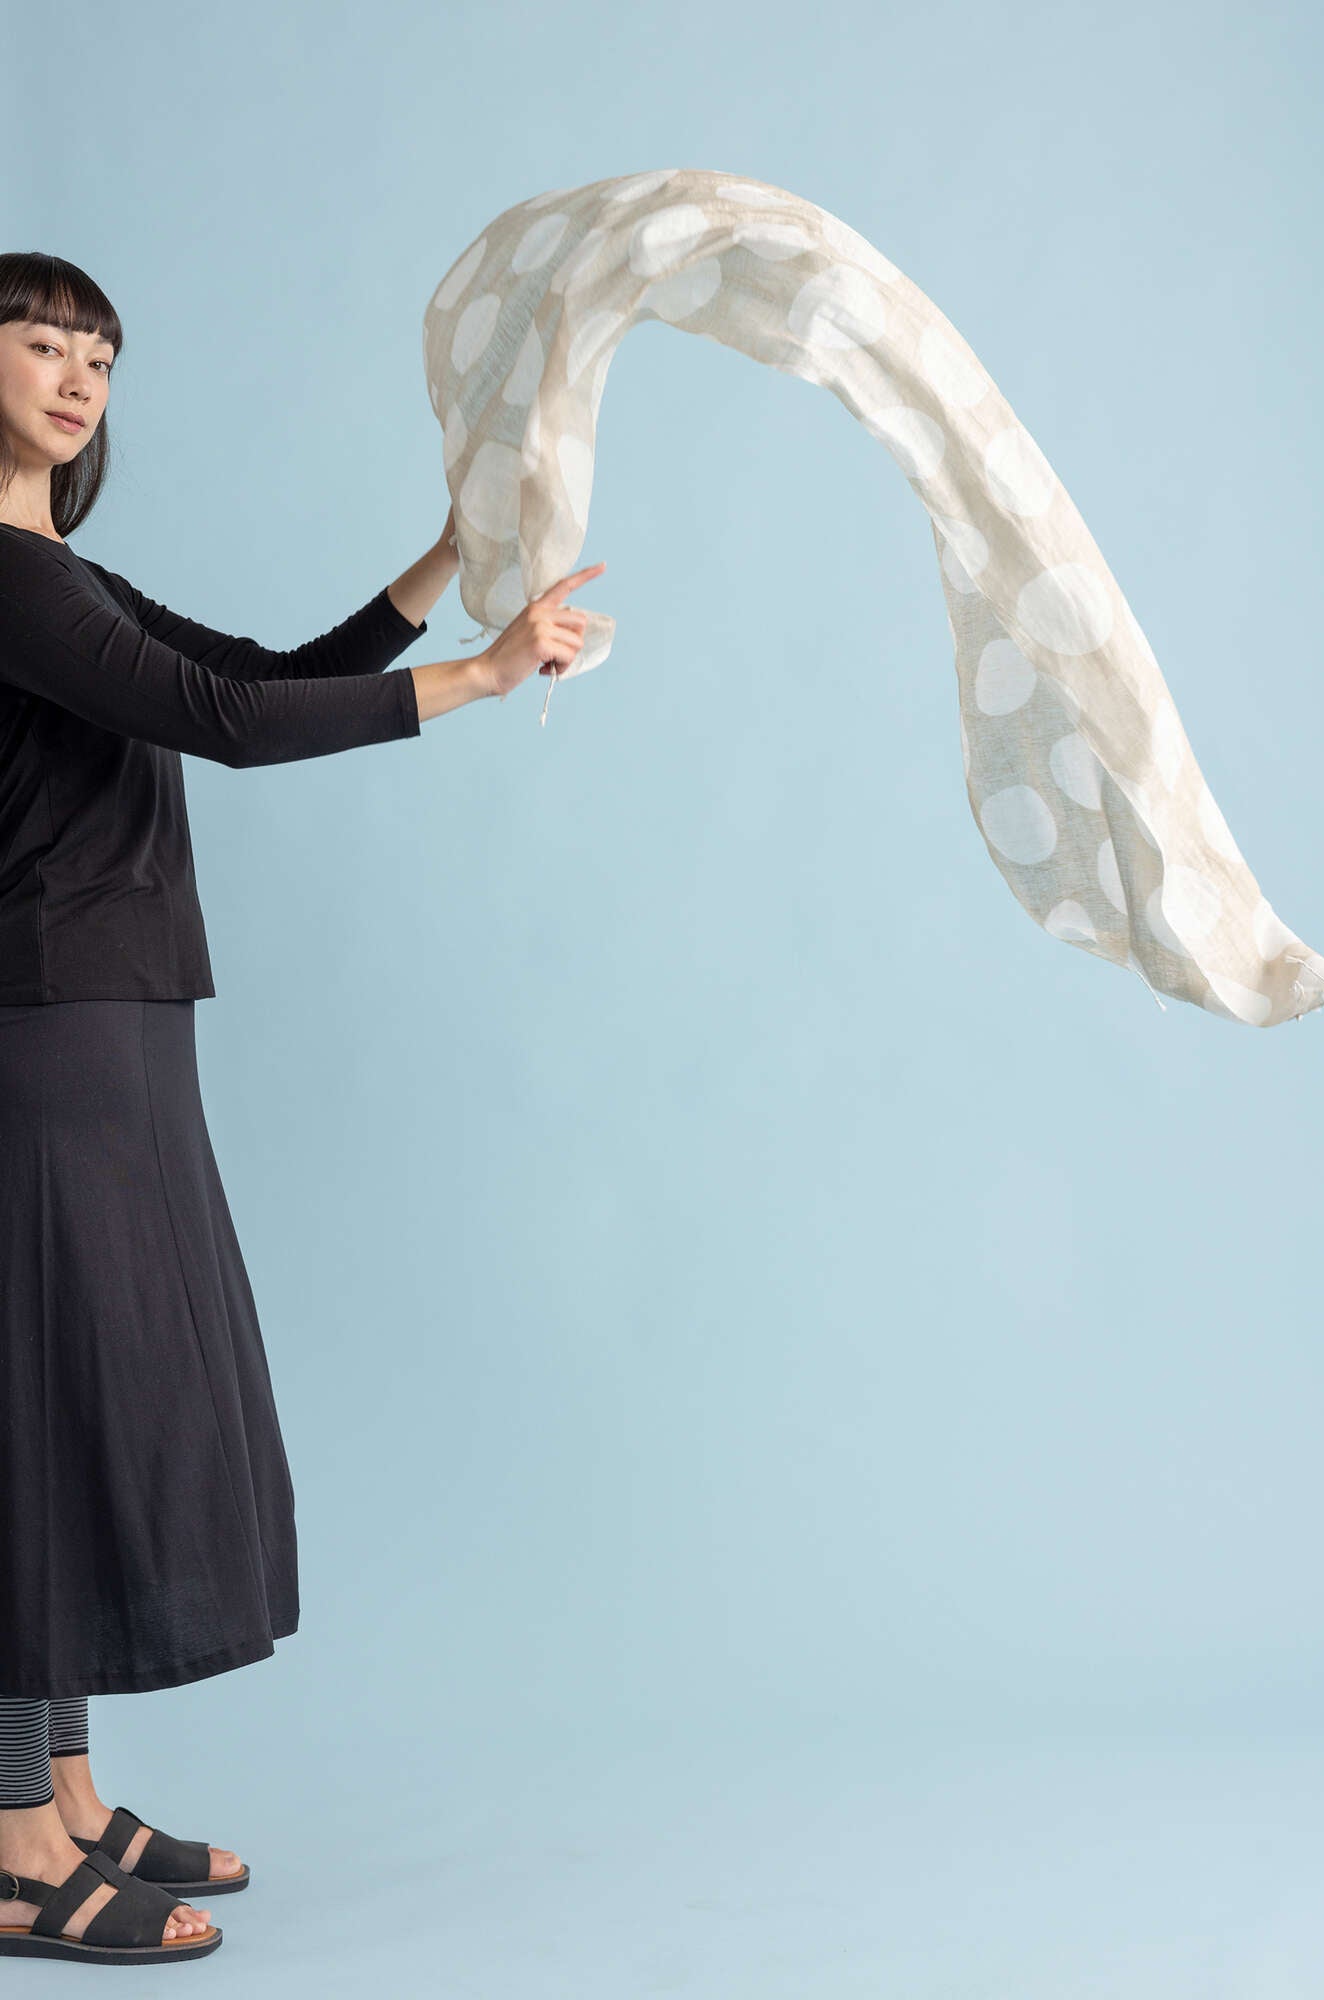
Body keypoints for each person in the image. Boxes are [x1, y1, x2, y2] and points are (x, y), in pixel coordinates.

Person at [0, 251, 603, 1968]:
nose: (80, 377)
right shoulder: (4, 581)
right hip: (41, 1029)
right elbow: (226, 723)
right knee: (39, 1414)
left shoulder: (64, 576)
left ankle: (62, 1797)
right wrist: (481, 675)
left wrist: (446, 564)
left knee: (82, 1408)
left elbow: (269, 671)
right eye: (42, 344)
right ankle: (12, 1841)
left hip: (113, 1019)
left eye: (102, 354)